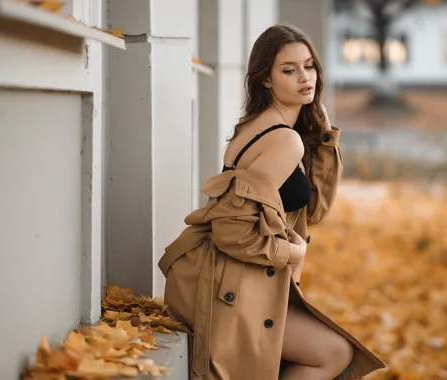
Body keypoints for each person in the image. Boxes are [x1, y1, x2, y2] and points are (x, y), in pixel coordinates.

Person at [157, 24, 386, 380]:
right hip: (230, 287)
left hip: (242, 280)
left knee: (332, 352)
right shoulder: (282, 140)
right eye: (288, 70)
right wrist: (292, 254)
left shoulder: (269, 126)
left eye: (309, 66)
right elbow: (231, 229)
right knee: (334, 353)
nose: (304, 77)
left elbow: (313, 210)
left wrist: (323, 134)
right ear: (265, 79)